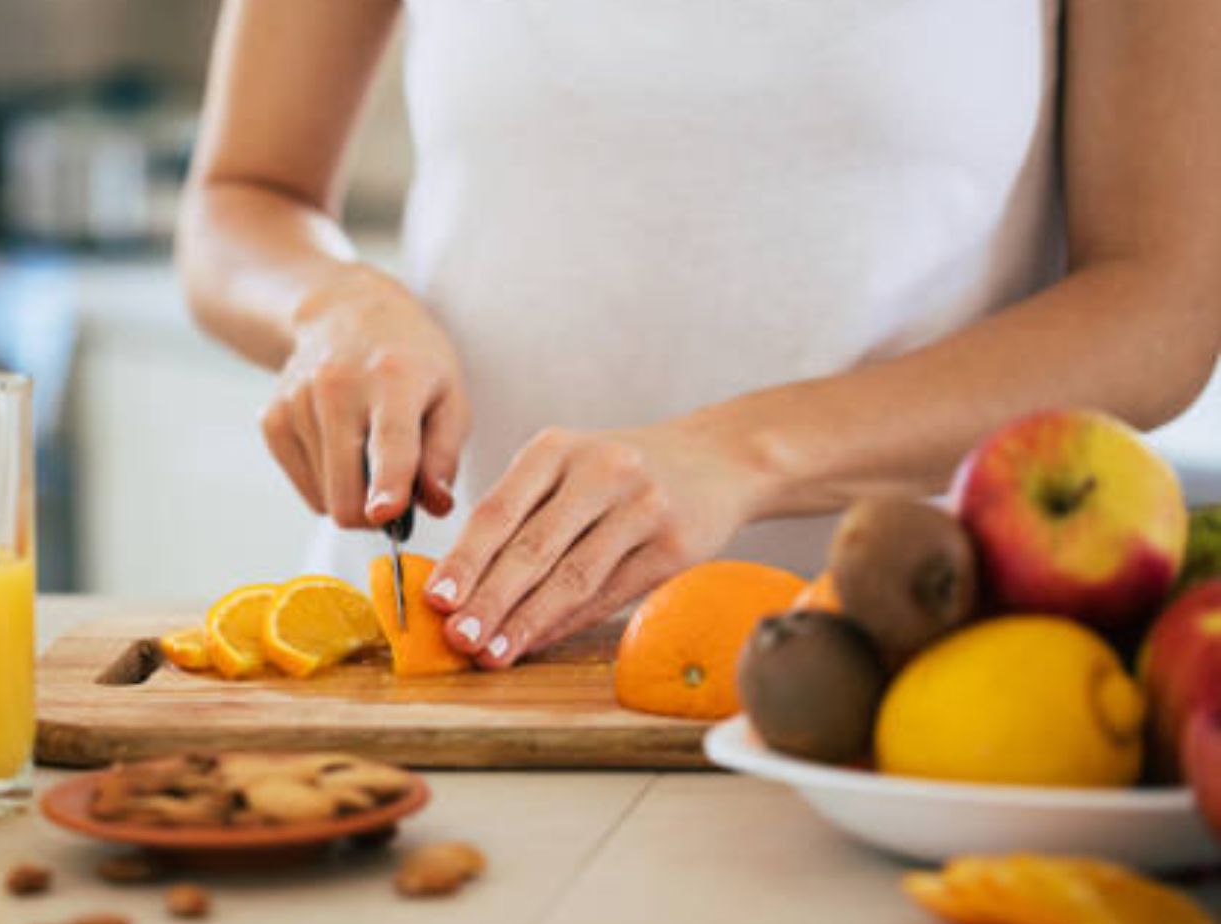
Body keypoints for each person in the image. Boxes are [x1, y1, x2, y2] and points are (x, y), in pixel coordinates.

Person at [175, 0, 1221, 669]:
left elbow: (1160, 302)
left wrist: (745, 454)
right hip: (435, 664)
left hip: (888, 684)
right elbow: (239, 196)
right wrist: (336, 307)